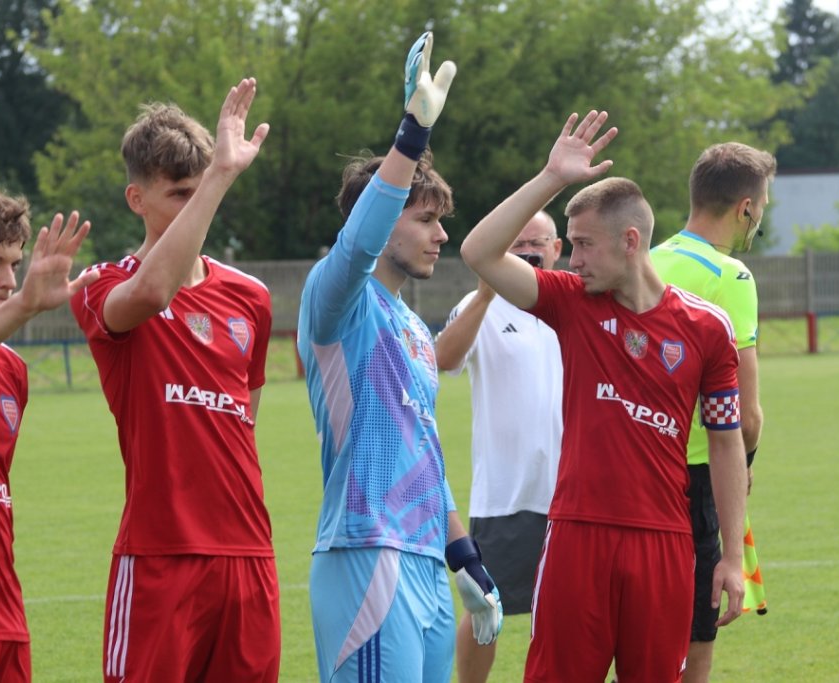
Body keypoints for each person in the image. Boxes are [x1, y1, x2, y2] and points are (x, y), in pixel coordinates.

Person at [460, 111, 749, 682]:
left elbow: (726, 445)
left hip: (665, 543)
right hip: (577, 536)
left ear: (631, 240)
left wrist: (733, 558)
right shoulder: (572, 302)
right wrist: (551, 177)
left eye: (585, 245)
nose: (573, 259)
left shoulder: (709, 329)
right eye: (571, 245)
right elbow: (479, 253)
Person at [296, 32, 502, 683]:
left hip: (422, 562)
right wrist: (410, 135)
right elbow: (355, 249)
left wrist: (463, 554)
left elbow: (423, 453)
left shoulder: (415, 328)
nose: (443, 233)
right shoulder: (334, 301)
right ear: (378, 220)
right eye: (426, 218)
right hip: (363, 551)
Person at [69, 79, 280, 682]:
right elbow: (154, 292)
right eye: (178, 194)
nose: (196, 205)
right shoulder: (104, 284)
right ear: (137, 199)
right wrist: (218, 173)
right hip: (161, 557)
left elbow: (247, 416)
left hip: (248, 556)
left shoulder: (252, 298)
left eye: (200, 189)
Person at [650, 142, 774, 683]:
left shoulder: (644, 260)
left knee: (635, 638)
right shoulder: (731, 276)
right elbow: (748, 414)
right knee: (693, 648)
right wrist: (742, 466)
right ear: (746, 207)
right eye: (763, 205)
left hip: (637, 469)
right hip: (697, 479)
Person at [435, 210, 563, 683]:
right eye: (517, 243)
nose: (528, 251)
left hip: (572, 491)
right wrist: (488, 291)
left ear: (558, 247)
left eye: (538, 242)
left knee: (567, 613)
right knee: (486, 607)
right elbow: (443, 360)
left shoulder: (579, 302)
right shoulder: (479, 303)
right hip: (508, 492)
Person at [0, 183, 96, 682]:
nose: (8, 281)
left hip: (4, 618)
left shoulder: (12, 371)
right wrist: (26, 306)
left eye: (14, 263)